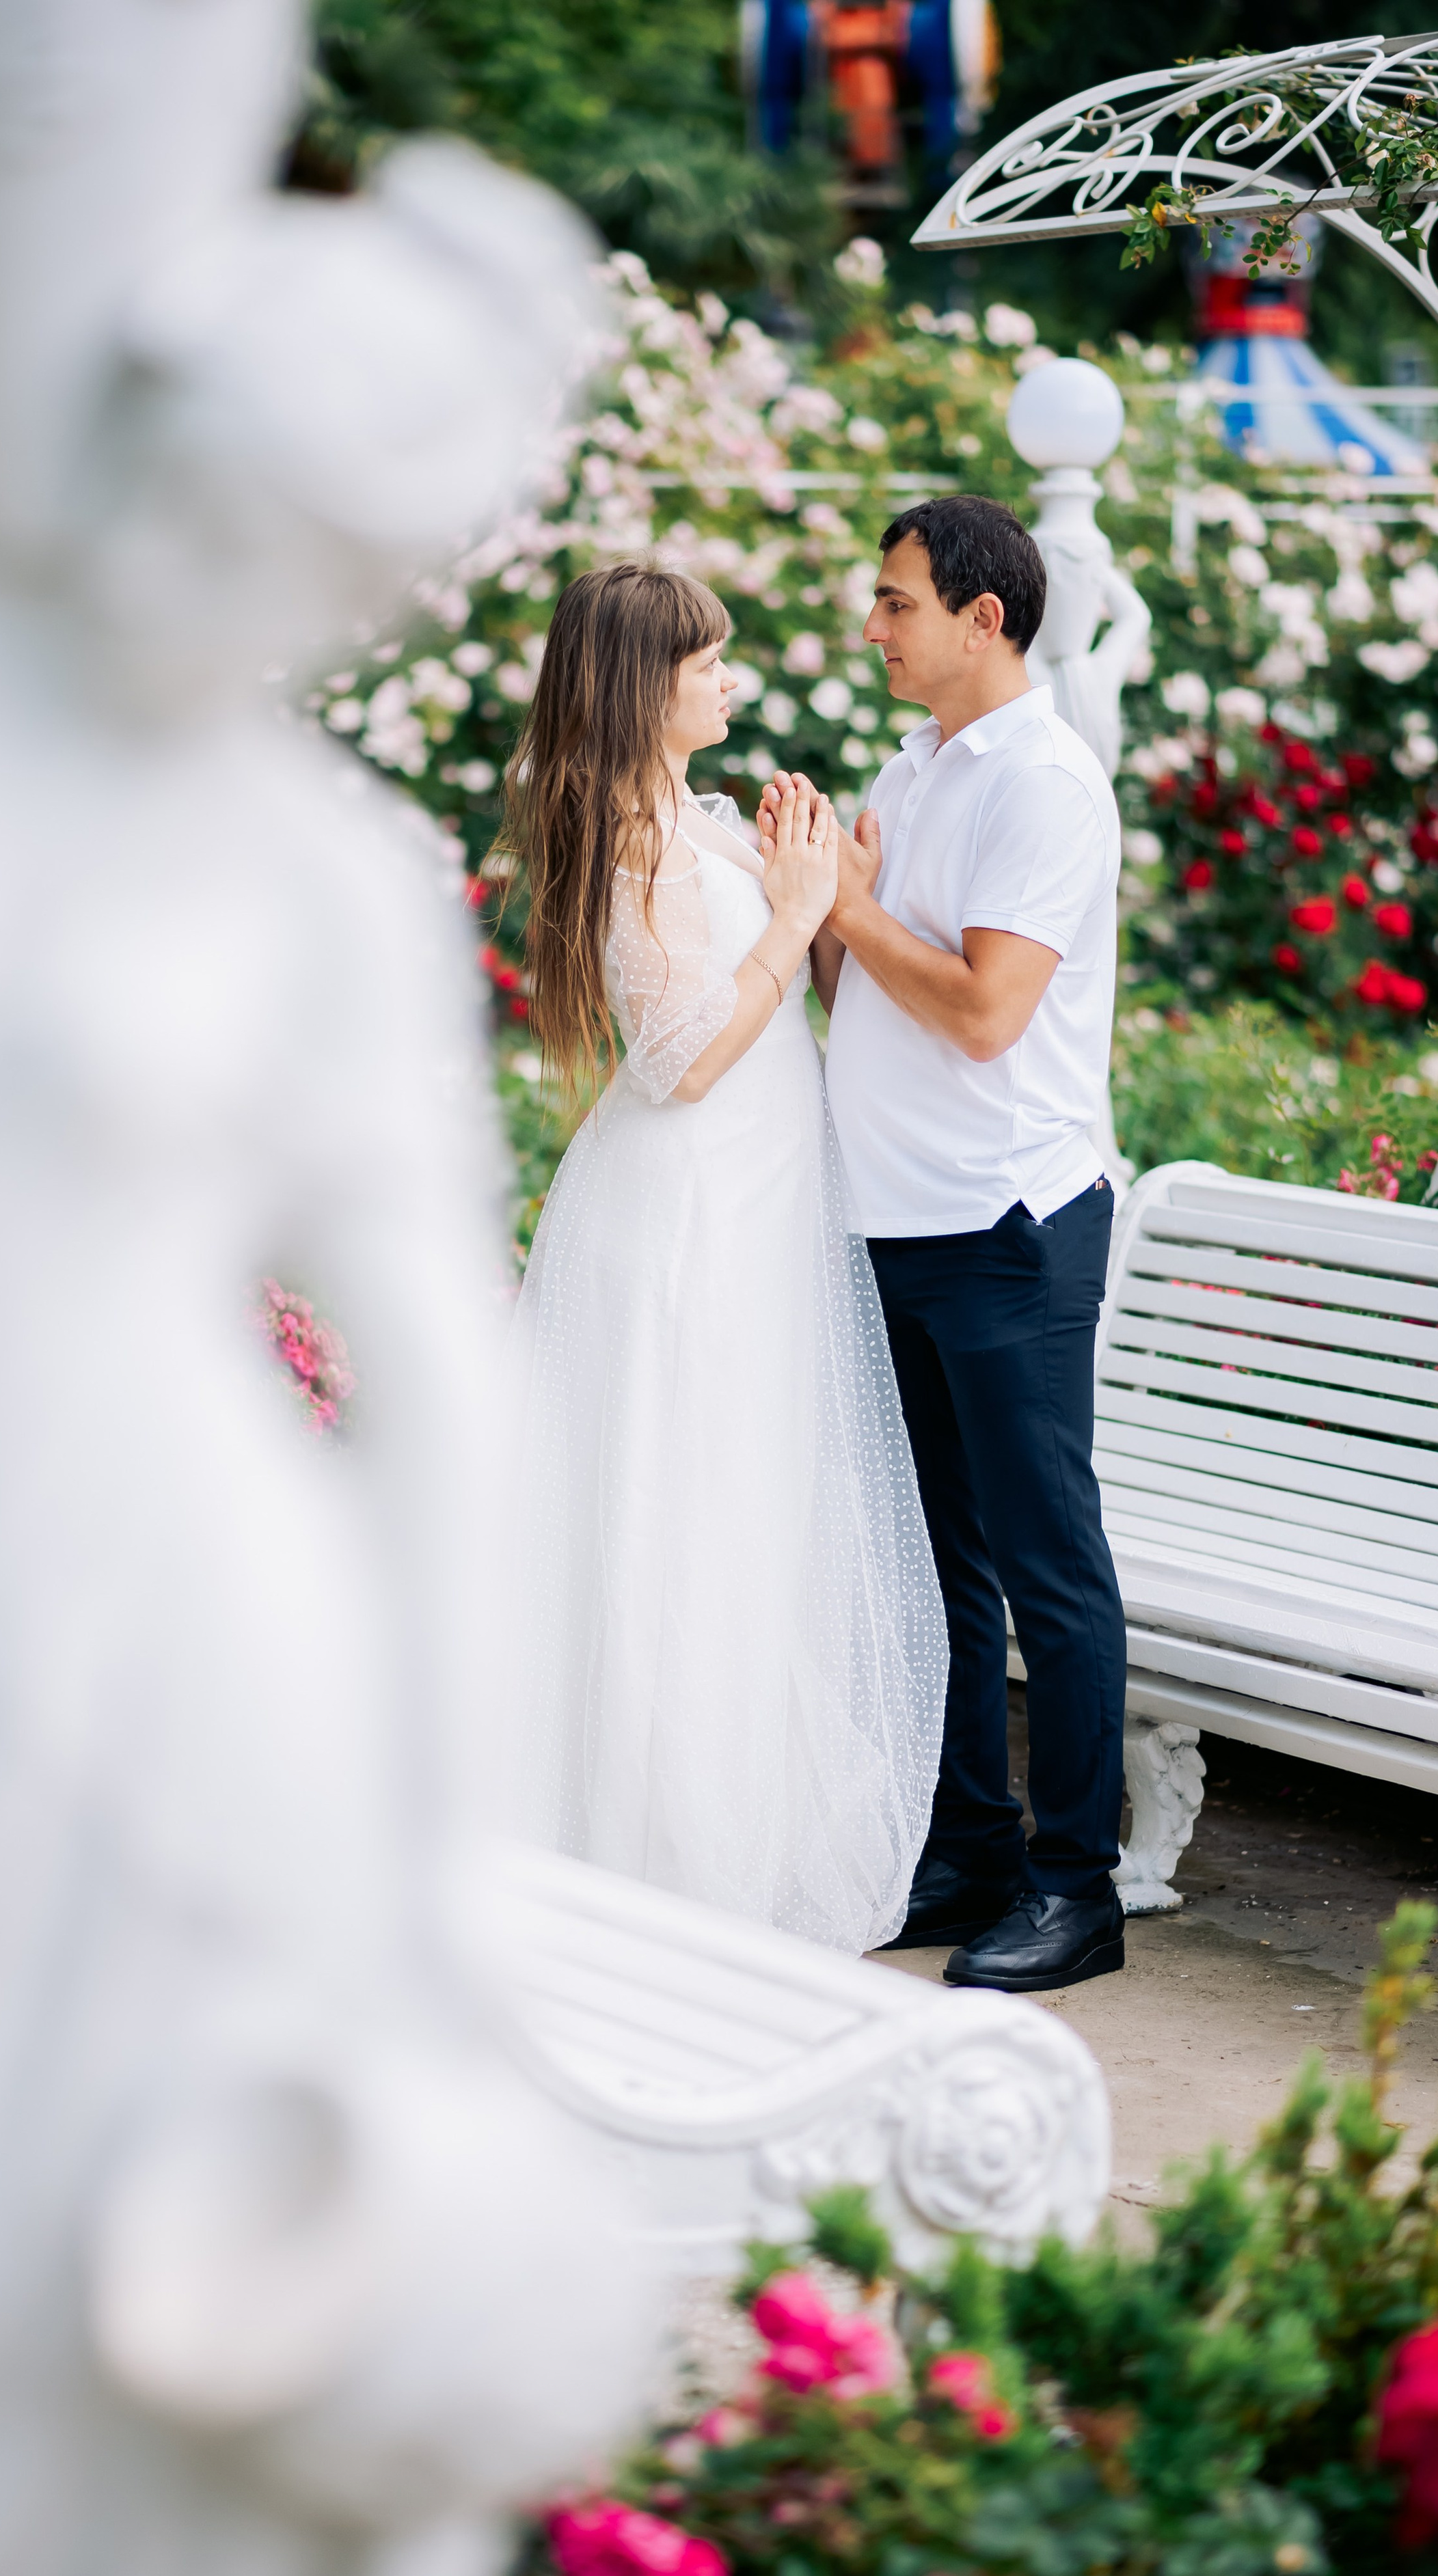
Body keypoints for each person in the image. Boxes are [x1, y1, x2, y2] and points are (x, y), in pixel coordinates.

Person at [498, 561, 947, 1954]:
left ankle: (715, 1817)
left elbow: (772, 985)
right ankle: (656, 1849)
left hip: (750, 1203)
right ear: (645, 683)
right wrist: (797, 912)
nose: (730, 679)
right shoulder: (623, 831)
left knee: (737, 1510)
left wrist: (813, 889)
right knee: (679, 1514)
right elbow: (682, 1059)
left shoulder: (681, 819)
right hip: (688, 1212)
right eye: (707, 664)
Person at [770, 493, 1127, 1995]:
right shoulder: (905, 770)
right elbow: (862, 991)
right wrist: (818, 915)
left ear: (984, 617)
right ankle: (968, 1849)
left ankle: (1076, 1888)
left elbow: (984, 1016)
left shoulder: (1043, 786)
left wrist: (845, 909)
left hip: (1004, 1220)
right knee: (936, 1568)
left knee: (1048, 1567)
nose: (872, 626)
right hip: (893, 1218)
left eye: (894, 601)